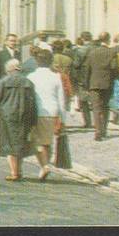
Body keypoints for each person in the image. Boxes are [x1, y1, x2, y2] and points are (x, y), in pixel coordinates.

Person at [0, 58, 37, 182]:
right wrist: (34, 120)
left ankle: (14, 172)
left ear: (9, 69)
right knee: (20, 143)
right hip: (24, 115)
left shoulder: (3, 81)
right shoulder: (28, 82)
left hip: (7, 116)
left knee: (9, 144)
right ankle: (18, 170)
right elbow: (33, 102)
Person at [27, 48, 67, 182]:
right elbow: (62, 99)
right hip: (53, 112)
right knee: (47, 142)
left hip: (37, 111)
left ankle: (45, 165)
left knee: (37, 142)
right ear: (51, 62)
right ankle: (45, 165)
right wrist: (63, 119)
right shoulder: (56, 77)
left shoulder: (31, 77)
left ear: (37, 61)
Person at [82, 31, 119, 141]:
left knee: (96, 108)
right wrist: (113, 79)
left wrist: (86, 83)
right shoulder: (112, 52)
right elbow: (114, 68)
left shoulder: (92, 52)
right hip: (107, 83)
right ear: (108, 39)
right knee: (105, 107)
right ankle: (104, 130)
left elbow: (87, 69)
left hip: (94, 83)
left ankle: (98, 131)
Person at [70, 32, 95, 129]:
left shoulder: (81, 51)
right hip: (95, 76)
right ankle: (98, 121)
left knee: (83, 101)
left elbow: (76, 65)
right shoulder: (96, 48)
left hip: (83, 77)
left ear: (82, 39)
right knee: (96, 101)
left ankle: (88, 122)